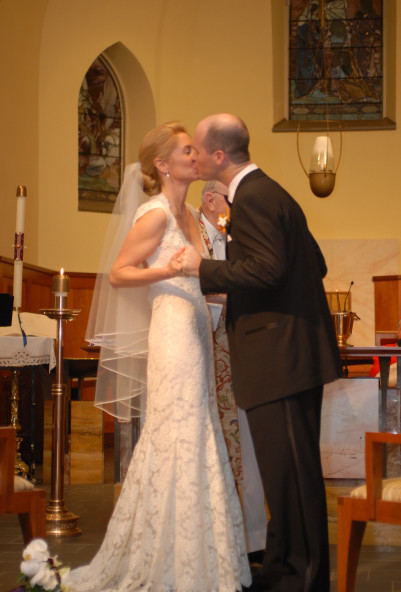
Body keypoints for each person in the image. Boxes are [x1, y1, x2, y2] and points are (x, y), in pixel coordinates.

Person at [66, 121, 252, 592]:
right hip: (171, 332)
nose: (196, 155)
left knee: (198, 428)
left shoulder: (190, 213)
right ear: (162, 164)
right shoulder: (154, 215)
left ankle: (199, 558)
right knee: (177, 430)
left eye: (195, 148)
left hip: (197, 328)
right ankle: (169, 559)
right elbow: (118, 274)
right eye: (187, 150)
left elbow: (200, 274)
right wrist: (164, 271)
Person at [181, 114, 342, 592]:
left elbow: (268, 270)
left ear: (218, 157)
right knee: (286, 473)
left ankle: (302, 577)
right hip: (289, 354)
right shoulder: (272, 192)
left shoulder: (251, 199)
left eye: (198, 148)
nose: (193, 154)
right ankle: (282, 568)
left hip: (280, 357)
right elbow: (313, 261)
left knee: (291, 476)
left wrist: (203, 269)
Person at [197, 180, 267, 557]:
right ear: (211, 201)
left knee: (246, 438)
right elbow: (196, 284)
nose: (235, 208)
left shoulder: (234, 233)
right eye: (230, 200)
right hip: (206, 345)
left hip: (237, 346)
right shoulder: (192, 231)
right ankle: (216, 536)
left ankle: (252, 536)